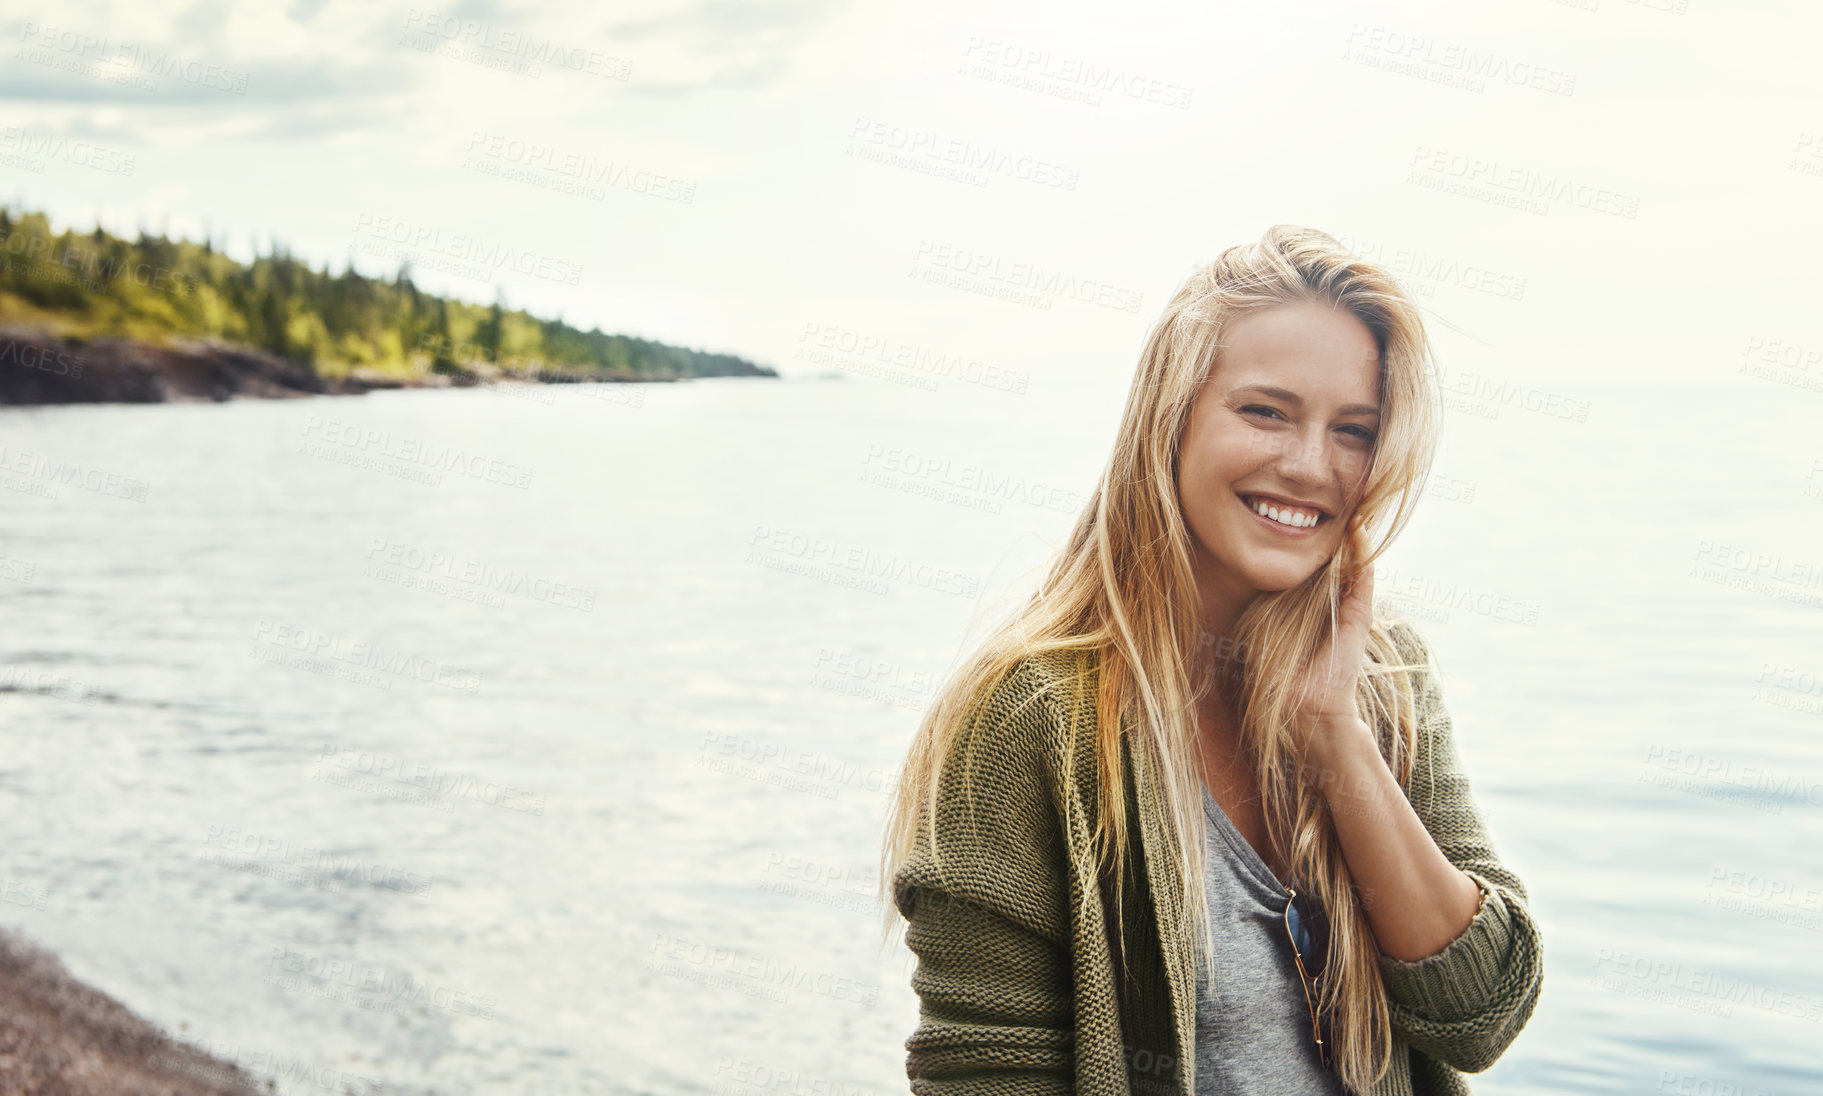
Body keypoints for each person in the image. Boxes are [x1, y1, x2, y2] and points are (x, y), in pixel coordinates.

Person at [876, 225, 1543, 1096]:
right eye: (1264, 411)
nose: (1310, 466)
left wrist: (1334, 735)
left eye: (1354, 430)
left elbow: (1480, 1014)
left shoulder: (1386, 677)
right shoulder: (1027, 719)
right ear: (1171, 418)